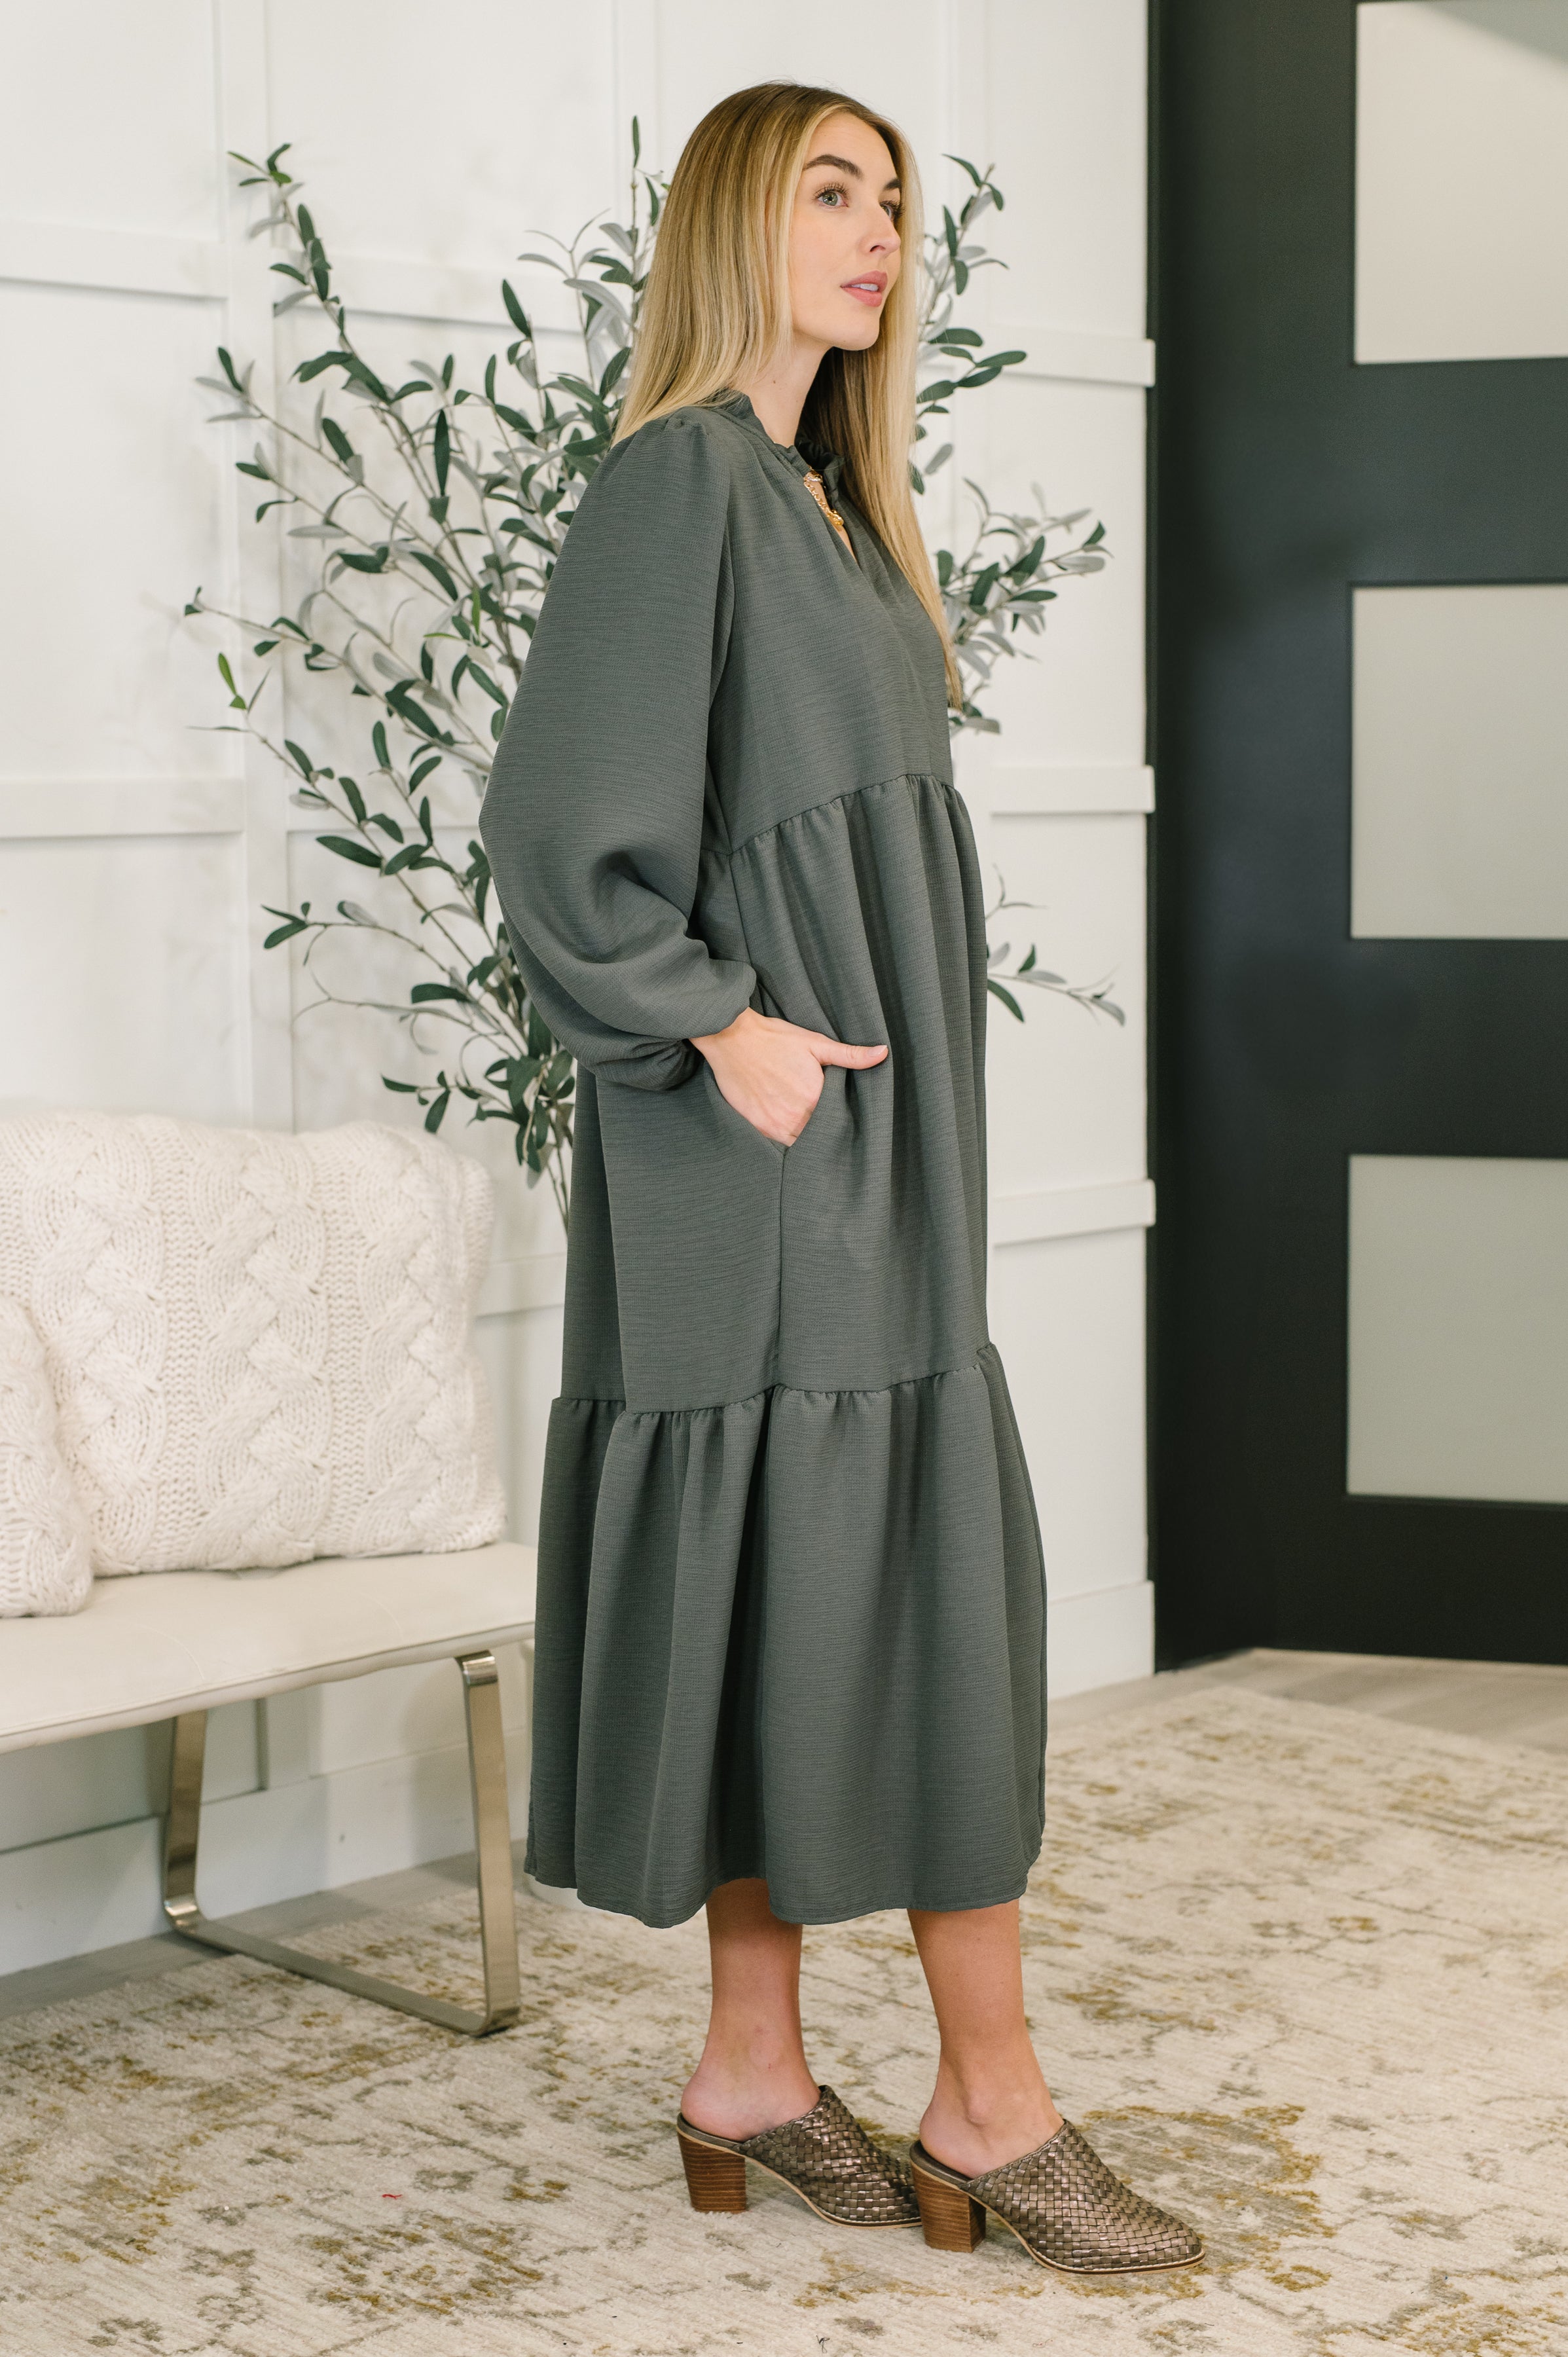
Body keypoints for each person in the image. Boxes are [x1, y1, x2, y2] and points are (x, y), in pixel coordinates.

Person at [480, 81, 1200, 2277]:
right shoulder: (677, 481)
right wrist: (721, 1025)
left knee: (805, 1580)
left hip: (863, 1132)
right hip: (763, 1139)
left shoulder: (827, 502)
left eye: (890, 196)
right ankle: (992, 2101)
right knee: (887, 1579)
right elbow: (556, 830)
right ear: (734, 221)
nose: (877, 229)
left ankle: (750, 2069)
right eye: (827, 190)